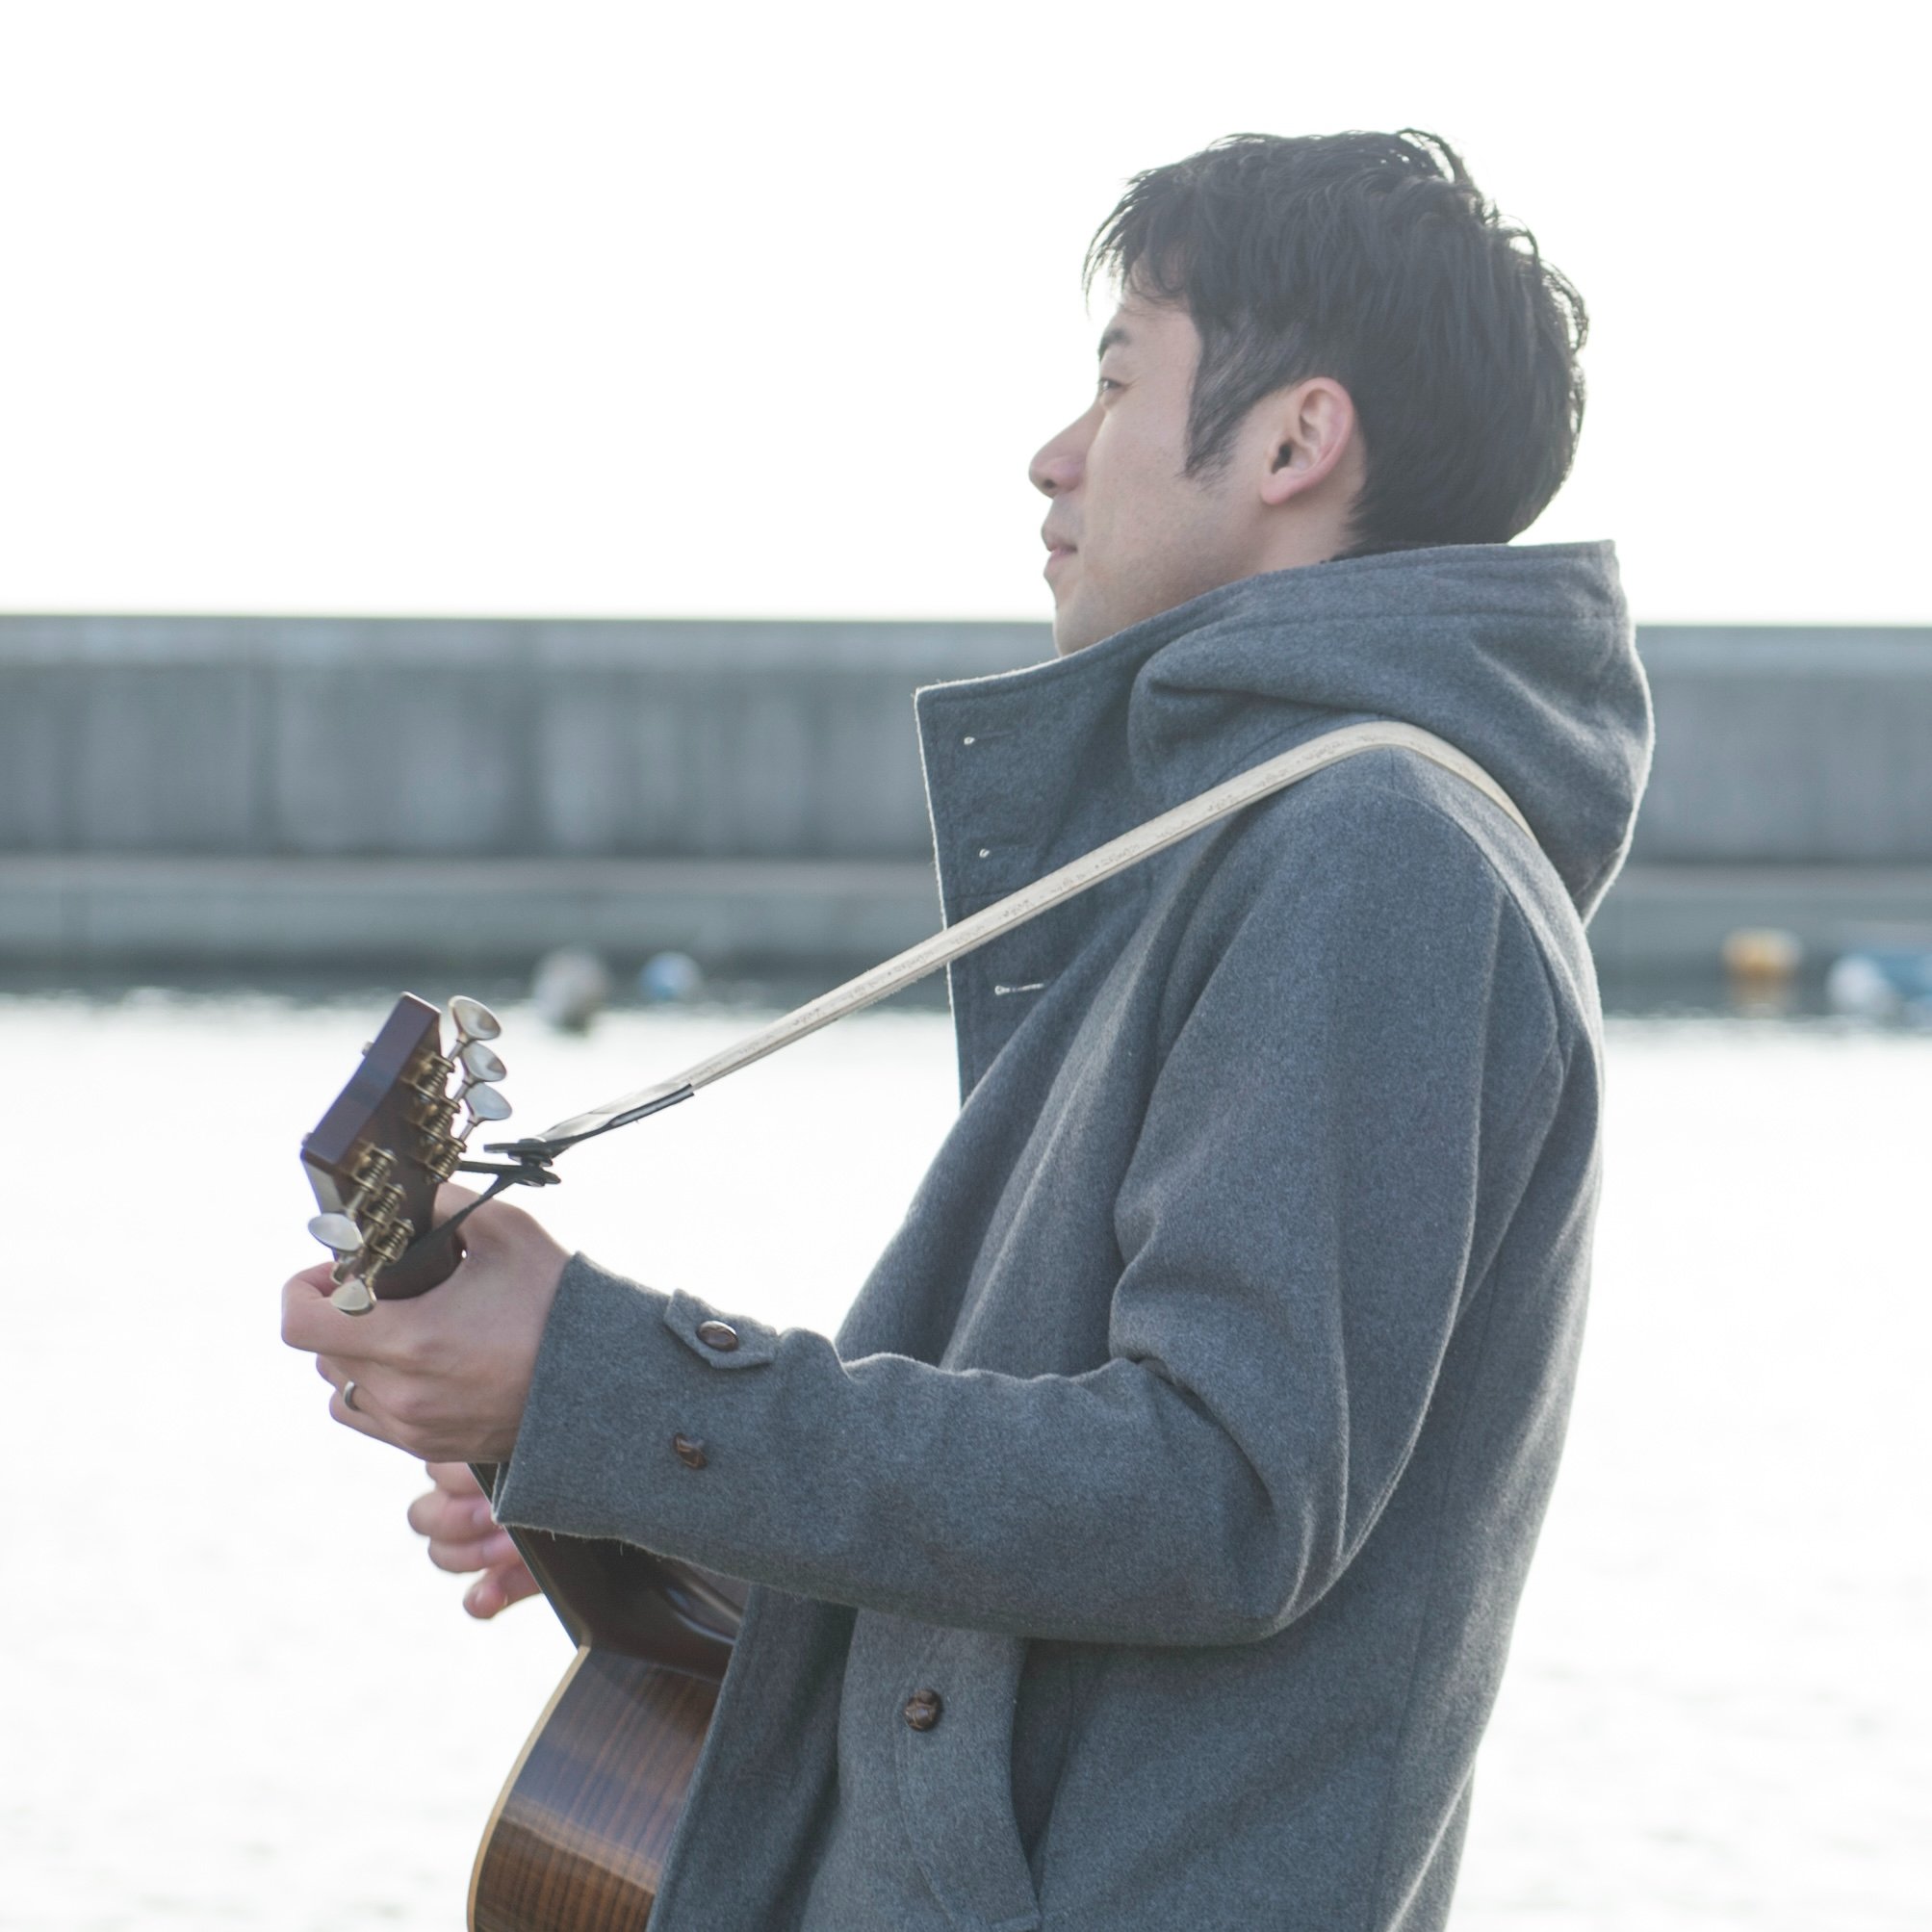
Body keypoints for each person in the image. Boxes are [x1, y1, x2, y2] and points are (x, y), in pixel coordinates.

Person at [284, 128, 1651, 1930]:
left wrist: (613, 1383)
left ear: (1294, 442)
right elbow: (1094, 1577)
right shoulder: (1265, 840)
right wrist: (638, 1478)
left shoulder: (1374, 849)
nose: (1055, 453)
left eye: (1118, 380)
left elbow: (1218, 1500)